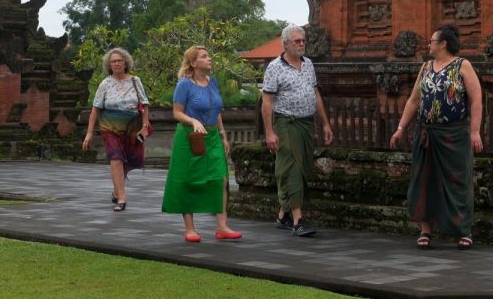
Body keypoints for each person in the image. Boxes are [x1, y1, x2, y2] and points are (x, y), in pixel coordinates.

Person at [389, 24, 483, 249]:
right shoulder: (426, 67)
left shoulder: (463, 66)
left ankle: (463, 230)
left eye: (432, 41)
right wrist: (401, 128)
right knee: (424, 179)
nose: (429, 44)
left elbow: (476, 100)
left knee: (457, 180)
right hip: (426, 133)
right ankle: (425, 230)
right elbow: (413, 100)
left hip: (454, 133)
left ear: (443, 43)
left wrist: (475, 131)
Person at [161, 45, 243, 242]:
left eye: (209, 56)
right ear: (193, 62)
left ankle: (222, 226)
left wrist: (223, 135)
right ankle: (190, 228)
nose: (209, 59)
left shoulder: (212, 82)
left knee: (220, 178)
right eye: (204, 57)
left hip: (212, 135)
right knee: (188, 178)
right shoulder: (184, 84)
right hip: (191, 136)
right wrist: (193, 121)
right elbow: (177, 112)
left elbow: (217, 110)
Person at [261, 24, 334, 237]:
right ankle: (297, 220)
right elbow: (267, 102)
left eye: (303, 40)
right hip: (286, 123)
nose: (302, 44)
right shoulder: (275, 67)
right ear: (285, 44)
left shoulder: (308, 64)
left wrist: (326, 123)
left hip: (306, 122)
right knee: (291, 167)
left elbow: (315, 93)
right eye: (297, 41)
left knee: (303, 168)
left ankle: (283, 214)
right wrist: (269, 132)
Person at [82, 48, 150, 211]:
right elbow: (95, 109)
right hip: (110, 126)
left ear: (126, 62)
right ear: (109, 65)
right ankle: (122, 198)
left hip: (131, 127)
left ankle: (116, 190)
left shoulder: (135, 80)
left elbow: (145, 104)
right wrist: (89, 133)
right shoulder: (105, 83)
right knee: (116, 158)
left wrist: (145, 126)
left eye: (120, 60)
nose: (117, 63)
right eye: (114, 61)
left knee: (133, 159)